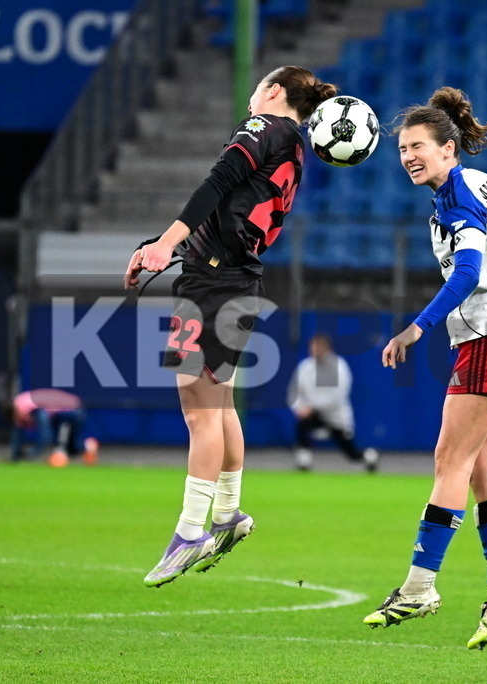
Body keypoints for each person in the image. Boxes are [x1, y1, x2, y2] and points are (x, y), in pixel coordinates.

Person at [361, 87, 487, 649]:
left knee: (449, 459)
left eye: (418, 146)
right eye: (402, 148)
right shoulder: (478, 182)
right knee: (482, 467)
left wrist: (415, 327)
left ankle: (419, 586)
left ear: (448, 149)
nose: (407, 155)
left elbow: (468, 272)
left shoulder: (455, 196)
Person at [123, 66, 339, 588]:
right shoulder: (294, 148)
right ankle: (227, 514)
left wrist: (164, 244)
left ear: (274, 91)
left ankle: (189, 531)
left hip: (212, 287)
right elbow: (227, 208)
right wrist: (159, 241)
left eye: (259, 83)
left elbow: (214, 185)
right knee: (217, 406)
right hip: (239, 282)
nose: (252, 92)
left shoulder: (263, 128)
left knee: (199, 412)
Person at [287, 333, 379, 472]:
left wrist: (312, 407)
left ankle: (369, 456)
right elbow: (295, 393)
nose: (315, 350)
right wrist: (299, 408)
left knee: (351, 454)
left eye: (319, 347)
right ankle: (304, 461)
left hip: (336, 418)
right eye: (313, 347)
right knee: (302, 425)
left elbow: (338, 395)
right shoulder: (305, 367)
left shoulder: (339, 366)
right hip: (313, 416)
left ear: (327, 348)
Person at [9, 388, 98, 467]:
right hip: (74, 409)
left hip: (73, 412)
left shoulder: (35, 410)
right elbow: (19, 430)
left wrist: (29, 455)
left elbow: (46, 437)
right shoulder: (21, 404)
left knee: (63, 442)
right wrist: (15, 455)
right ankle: (88, 446)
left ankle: (59, 455)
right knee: (71, 447)